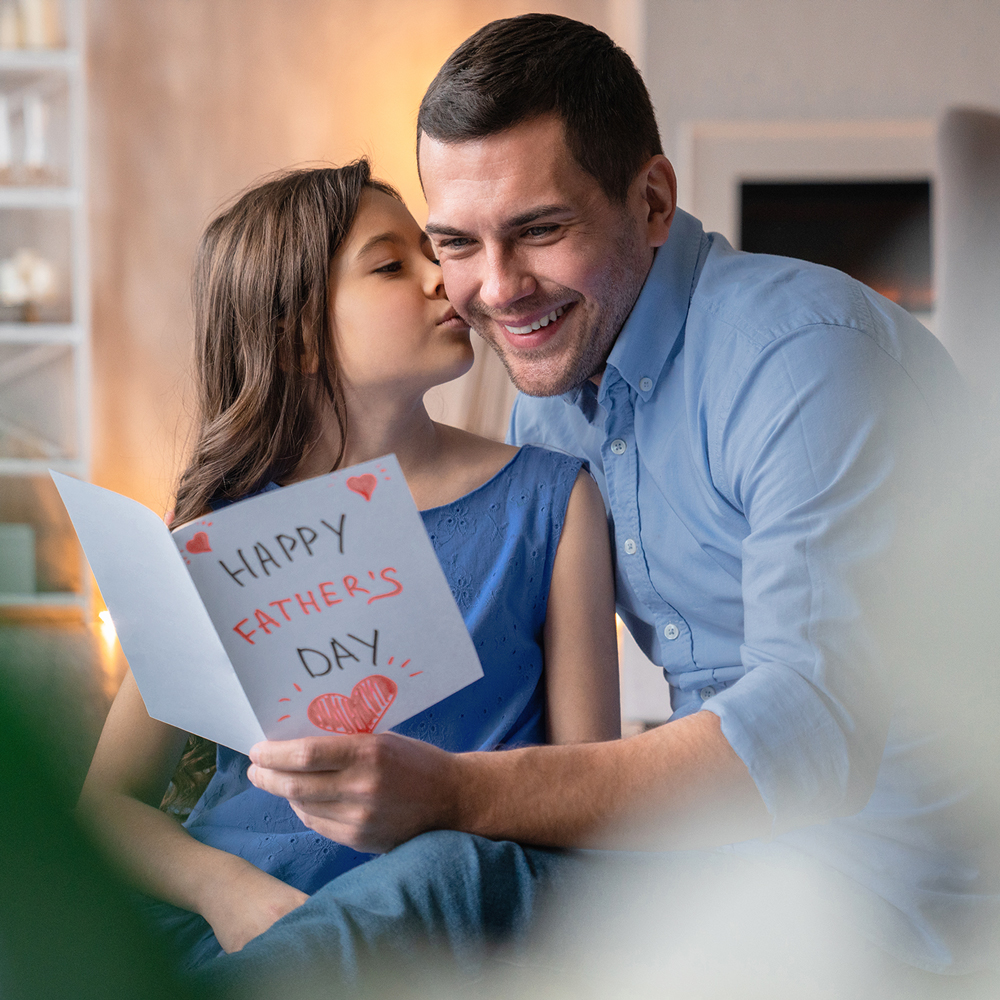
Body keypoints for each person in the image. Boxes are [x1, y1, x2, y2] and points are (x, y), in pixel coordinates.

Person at [242, 12, 998, 983]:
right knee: (426, 889)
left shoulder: (802, 358)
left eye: (539, 230)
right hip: (709, 865)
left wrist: (462, 793)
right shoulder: (552, 404)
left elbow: (808, 731)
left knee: (446, 881)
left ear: (651, 201)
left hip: (902, 893)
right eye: (456, 243)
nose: (495, 289)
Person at [76, 160, 620, 972]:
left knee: (444, 869)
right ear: (298, 337)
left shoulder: (552, 501)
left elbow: (591, 796)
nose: (446, 278)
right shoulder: (224, 539)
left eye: (433, 252)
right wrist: (228, 892)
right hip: (242, 927)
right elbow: (107, 808)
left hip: (445, 909)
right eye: (392, 266)